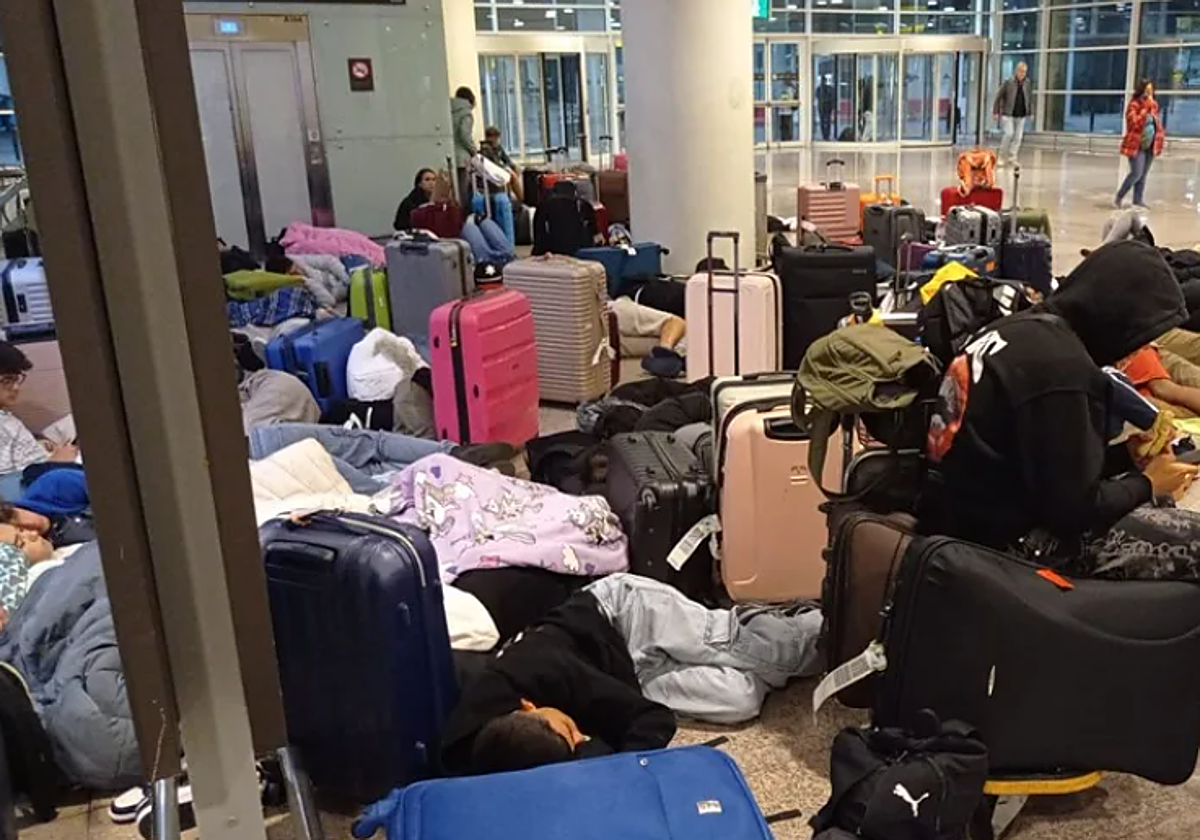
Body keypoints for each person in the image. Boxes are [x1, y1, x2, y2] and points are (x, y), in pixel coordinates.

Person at [920, 240, 1196, 559]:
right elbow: (1074, 512)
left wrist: (1124, 458)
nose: (1133, 353)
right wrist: (1148, 484)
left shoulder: (1022, 329)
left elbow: (1044, 463)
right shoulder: (1062, 369)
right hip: (1002, 549)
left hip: (957, 519)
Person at [441, 573, 822, 776]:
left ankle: (838, 621)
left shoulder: (544, 670)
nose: (580, 735)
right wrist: (588, 750)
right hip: (627, 676)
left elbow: (650, 722)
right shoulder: (473, 751)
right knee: (741, 700)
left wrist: (600, 756)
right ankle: (742, 629)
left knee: (779, 658)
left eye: (571, 730)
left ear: (529, 705)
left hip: (625, 612)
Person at [0, 343, 77, 484]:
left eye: (17, 378)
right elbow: (8, 487)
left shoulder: (5, 418)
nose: (16, 387)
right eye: (7, 380)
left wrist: (39, 444)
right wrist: (56, 463)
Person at [1115, 79, 1165, 209]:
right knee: (1136, 173)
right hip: (1136, 145)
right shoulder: (1134, 105)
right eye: (1147, 90)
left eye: (1151, 91)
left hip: (1150, 145)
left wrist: (1160, 137)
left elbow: (1156, 125)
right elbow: (1133, 123)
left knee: (1143, 175)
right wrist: (1145, 108)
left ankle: (1138, 200)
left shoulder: (1154, 106)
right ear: (1141, 91)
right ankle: (1119, 196)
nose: (1149, 93)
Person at [993, 62, 1032, 166]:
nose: (1023, 74)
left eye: (1025, 72)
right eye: (1021, 71)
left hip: (1021, 114)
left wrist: (1030, 112)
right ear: (1017, 71)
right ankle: (1001, 156)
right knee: (1009, 134)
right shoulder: (1008, 82)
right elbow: (999, 96)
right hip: (1008, 113)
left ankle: (1012, 157)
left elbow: (1029, 98)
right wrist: (996, 111)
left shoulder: (1027, 83)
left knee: (1018, 137)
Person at [451, 87, 479, 205]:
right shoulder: (466, 114)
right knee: (463, 193)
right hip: (462, 159)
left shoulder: (449, 110)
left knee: (454, 191)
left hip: (451, 155)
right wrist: (474, 150)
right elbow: (464, 134)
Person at [393, 168, 437, 232]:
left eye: (434, 179)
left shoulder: (436, 200)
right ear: (419, 184)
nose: (431, 183)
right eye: (427, 180)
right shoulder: (410, 202)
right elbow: (399, 225)